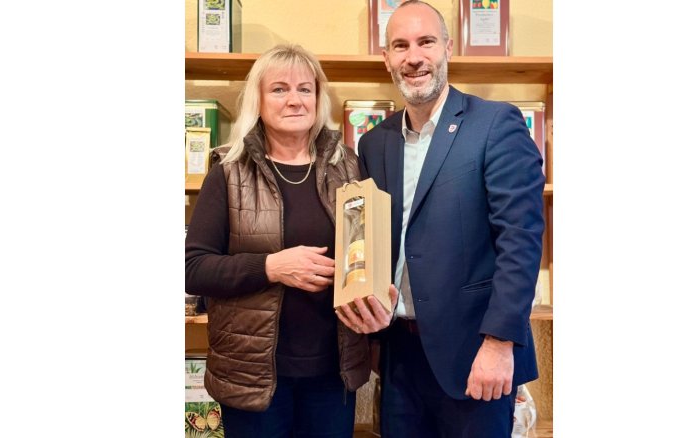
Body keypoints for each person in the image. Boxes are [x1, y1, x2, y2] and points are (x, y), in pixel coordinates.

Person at [336, 2, 546, 436]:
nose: (414, 57)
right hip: (399, 357)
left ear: (448, 47)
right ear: (387, 58)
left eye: (426, 42)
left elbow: (521, 239)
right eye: (400, 45)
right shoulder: (375, 143)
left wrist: (499, 343)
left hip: (476, 354)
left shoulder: (495, 124)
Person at [185, 44, 395, 438]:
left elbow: (366, 254)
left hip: (333, 375)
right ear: (258, 100)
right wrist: (272, 267)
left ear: (318, 98)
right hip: (254, 380)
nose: (295, 100)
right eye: (279, 89)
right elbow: (191, 268)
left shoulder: (349, 165)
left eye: (305, 89)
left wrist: (381, 296)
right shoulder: (228, 171)